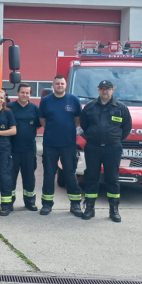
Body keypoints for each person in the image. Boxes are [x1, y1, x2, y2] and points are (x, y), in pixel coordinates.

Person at [80, 79, 132, 223]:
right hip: (93, 147)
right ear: (98, 90)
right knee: (91, 178)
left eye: (107, 89)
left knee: (112, 179)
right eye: (102, 88)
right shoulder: (89, 107)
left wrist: (115, 139)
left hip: (113, 148)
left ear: (112, 90)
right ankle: (89, 208)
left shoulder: (121, 108)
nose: (105, 91)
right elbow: (84, 125)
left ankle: (114, 210)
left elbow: (127, 127)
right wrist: (91, 137)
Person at [38, 74, 83, 217]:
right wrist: (53, 130)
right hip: (50, 143)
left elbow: (77, 119)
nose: (60, 86)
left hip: (68, 144)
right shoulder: (46, 100)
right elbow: (42, 119)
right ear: (53, 85)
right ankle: (47, 204)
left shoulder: (73, 100)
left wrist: (67, 131)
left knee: (70, 173)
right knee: (49, 174)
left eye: (62, 84)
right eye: (57, 84)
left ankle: (75, 204)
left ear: (65, 85)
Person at [9, 83, 41, 211]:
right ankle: (9, 202)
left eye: (27, 93)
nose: (25, 95)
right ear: (17, 93)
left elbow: (38, 125)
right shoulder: (10, 107)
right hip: (13, 148)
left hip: (29, 148)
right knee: (11, 177)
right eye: (22, 92)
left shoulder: (34, 108)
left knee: (29, 177)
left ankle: (29, 202)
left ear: (30, 94)